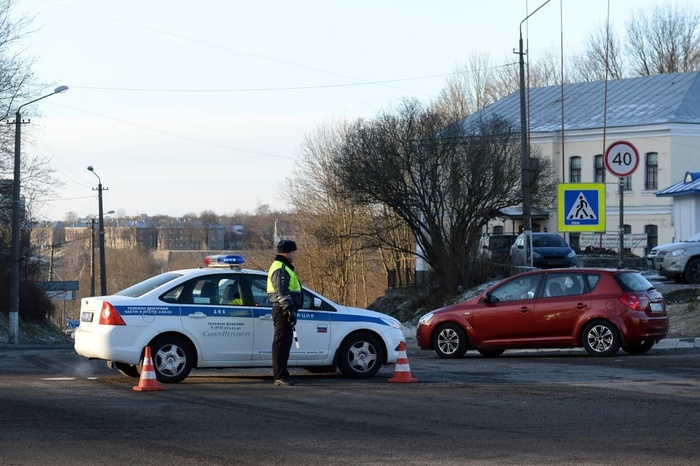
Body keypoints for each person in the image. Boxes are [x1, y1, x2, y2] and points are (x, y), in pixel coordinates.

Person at [267, 239, 303, 386]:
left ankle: (283, 374)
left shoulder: (283, 266)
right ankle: (280, 375)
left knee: (285, 342)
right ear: (287, 253)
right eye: (293, 253)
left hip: (284, 309)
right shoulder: (280, 268)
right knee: (281, 343)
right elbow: (282, 292)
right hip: (282, 310)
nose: (295, 255)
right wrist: (289, 310)